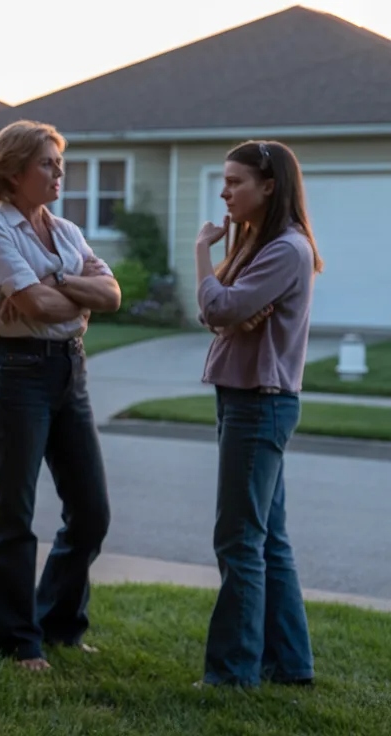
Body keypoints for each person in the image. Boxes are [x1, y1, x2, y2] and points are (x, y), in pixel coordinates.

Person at [0, 120, 122, 671]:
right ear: (13, 171)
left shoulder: (68, 230)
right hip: (16, 377)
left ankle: (58, 624)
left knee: (91, 514)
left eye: (60, 162)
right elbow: (37, 309)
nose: (59, 172)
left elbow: (112, 293)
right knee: (14, 516)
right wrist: (70, 296)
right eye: (47, 164)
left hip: (69, 375)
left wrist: (54, 287)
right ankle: (16, 641)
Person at [194, 140, 321, 688]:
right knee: (267, 539)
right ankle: (290, 666)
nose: (224, 192)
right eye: (224, 182)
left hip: (258, 402)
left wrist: (202, 250)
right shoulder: (259, 244)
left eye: (234, 182)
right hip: (249, 398)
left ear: (269, 186)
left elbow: (216, 306)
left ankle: (231, 674)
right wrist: (228, 309)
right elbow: (221, 313)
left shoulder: (284, 250)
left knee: (239, 540)